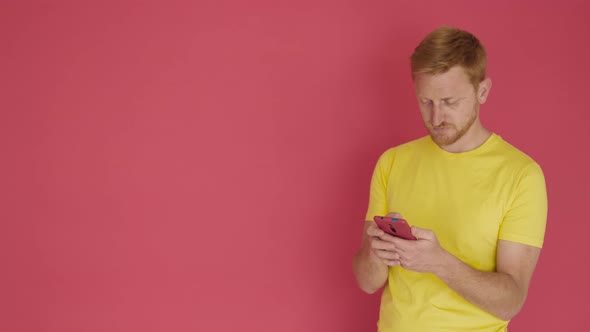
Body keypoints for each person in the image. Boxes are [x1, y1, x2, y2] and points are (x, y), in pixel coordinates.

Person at [352, 26, 548, 332]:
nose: (436, 117)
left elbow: (511, 299)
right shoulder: (392, 162)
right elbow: (366, 282)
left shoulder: (522, 175)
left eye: (450, 102)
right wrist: (376, 253)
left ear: (482, 91)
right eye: (425, 101)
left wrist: (438, 262)